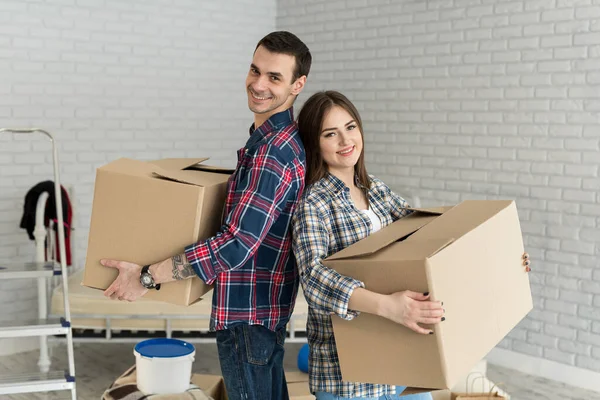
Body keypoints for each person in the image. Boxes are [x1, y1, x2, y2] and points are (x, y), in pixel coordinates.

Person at [100, 31, 312, 400]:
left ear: (298, 85)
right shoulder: (270, 142)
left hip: (249, 316)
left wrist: (148, 277)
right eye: (254, 70)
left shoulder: (271, 154)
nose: (258, 84)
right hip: (262, 311)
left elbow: (236, 243)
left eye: (274, 77)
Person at [292, 90, 531, 400]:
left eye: (350, 127)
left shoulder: (374, 189)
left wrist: (503, 259)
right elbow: (313, 280)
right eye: (330, 134)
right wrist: (388, 306)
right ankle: (306, 356)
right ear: (315, 143)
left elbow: (426, 237)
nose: (345, 140)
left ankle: (303, 355)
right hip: (348, 373)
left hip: (403, 358)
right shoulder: (314, 203)